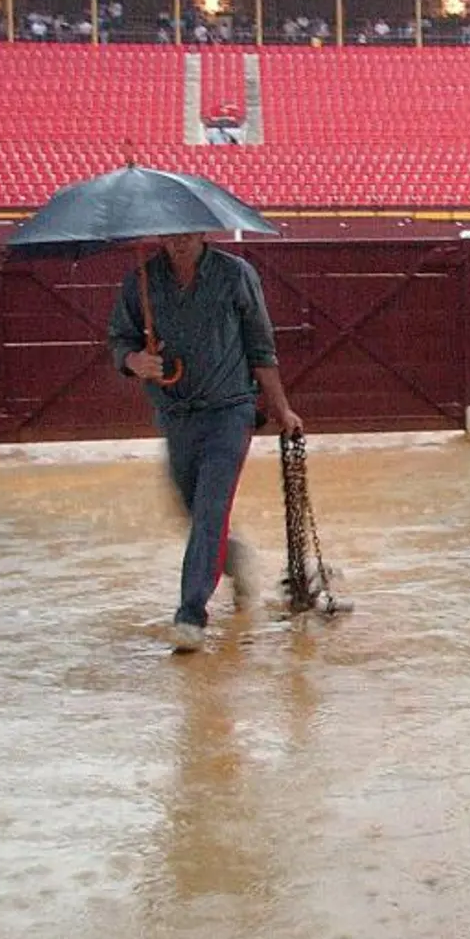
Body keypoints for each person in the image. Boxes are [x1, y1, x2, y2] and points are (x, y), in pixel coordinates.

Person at [107, 234, 305, 653]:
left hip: (229, 411)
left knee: (211, 507)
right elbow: (120, 340)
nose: (177, 243)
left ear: (203, 234)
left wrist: (282, 409)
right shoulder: (140, 281)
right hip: (176, 414)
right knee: (191, 508)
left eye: (185, 234)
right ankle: (232, 559)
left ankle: (191, 614)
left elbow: (260, 348)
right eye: (170, 235)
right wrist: (134, 362)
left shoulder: (236, 275)